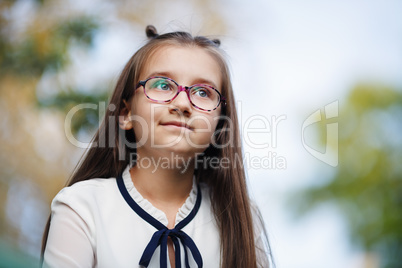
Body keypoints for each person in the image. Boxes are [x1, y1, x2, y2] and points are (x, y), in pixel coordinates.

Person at [41, 25, 273, 268]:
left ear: (219, 123)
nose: (183, 103)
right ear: (125, 113)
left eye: (204, 92)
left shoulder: (241, 220)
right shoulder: (81, 207)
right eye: (163, 85)